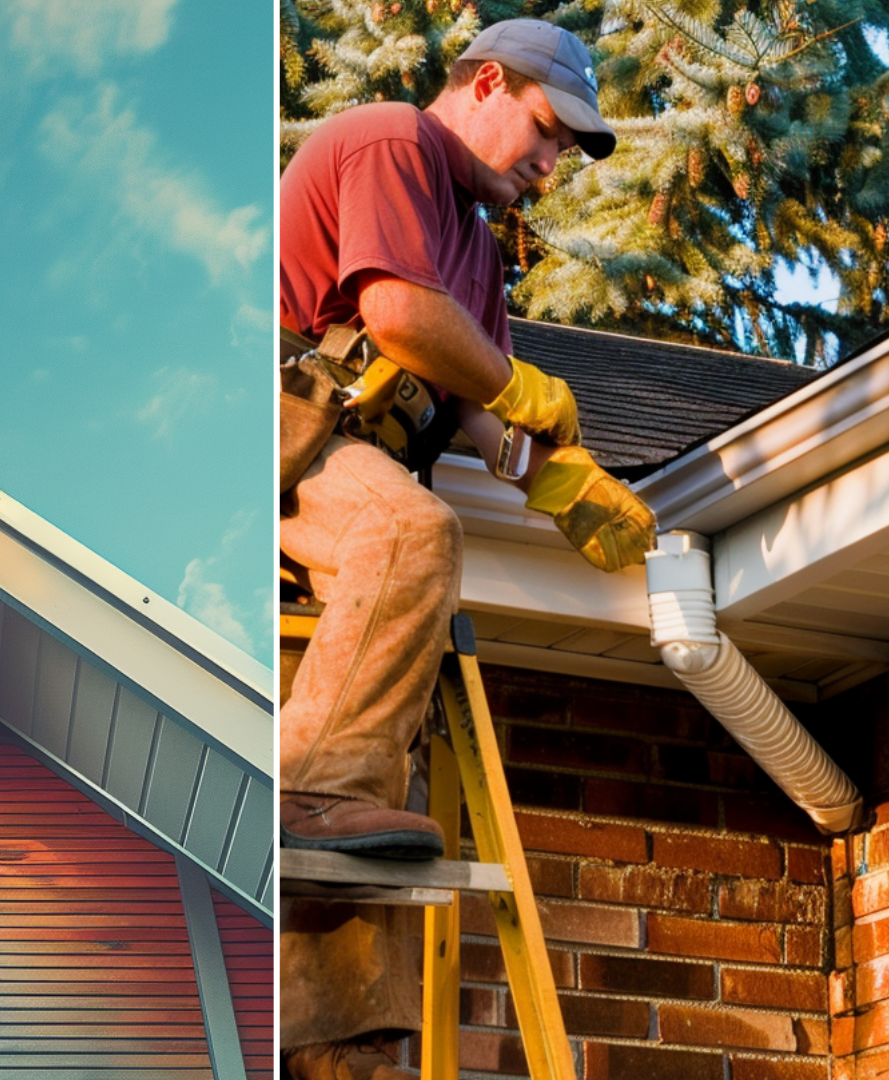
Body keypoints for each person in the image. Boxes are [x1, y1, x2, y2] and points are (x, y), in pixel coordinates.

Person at [278, 20, 655, 1080]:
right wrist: (515, 384)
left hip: (348, 462)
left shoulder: (477, 262)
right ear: (486, 82)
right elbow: (398, 316)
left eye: (566, 153)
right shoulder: (394, 141)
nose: (549, 165)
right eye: (544, 132)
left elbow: (475, 409)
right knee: (410, 532)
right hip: (275, 429)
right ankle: (299, 792)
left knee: (376, 810)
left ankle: (339, 1040)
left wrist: (562, 480)